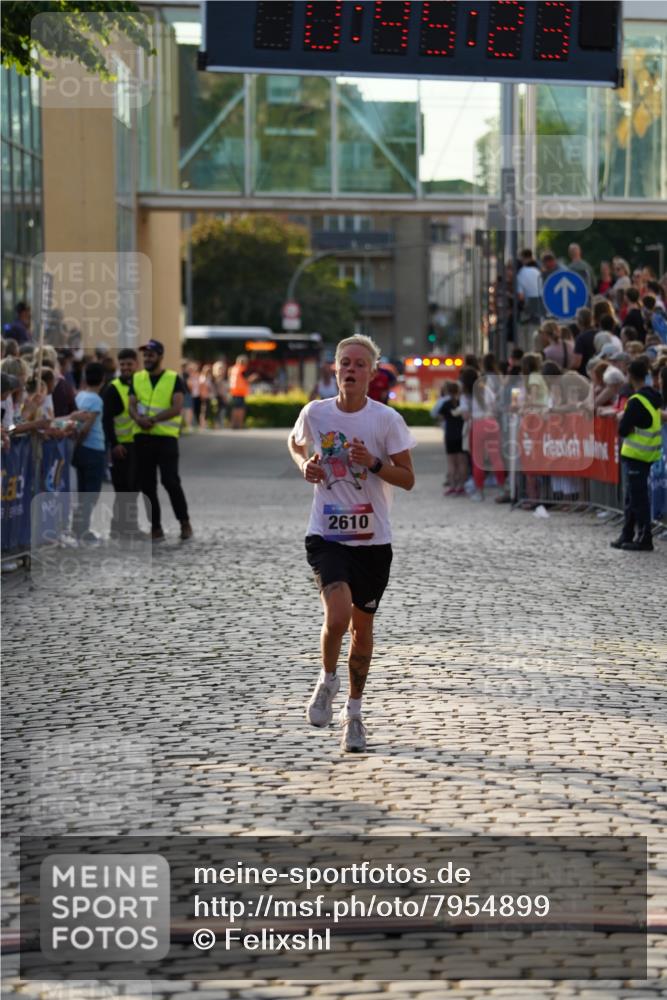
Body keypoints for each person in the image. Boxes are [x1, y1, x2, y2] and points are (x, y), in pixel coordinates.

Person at [287, 334, 416, 754]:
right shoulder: (316, 413)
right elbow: (295, 441)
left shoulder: (386, 421)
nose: (351, 369)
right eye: (345, 362)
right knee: (338, 613)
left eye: (360, 364)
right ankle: (326, 679)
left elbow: (408, 478)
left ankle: (354, 713)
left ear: (372, 373)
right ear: (335, 369)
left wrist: (373, 463)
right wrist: (303, 463)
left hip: (373, 540)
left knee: (362, 629)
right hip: (327, 534)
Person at [128, 339, 192, 542]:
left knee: (170, 481)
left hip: (165, 438)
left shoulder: (173, 378)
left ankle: (184, 522)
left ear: (160, 356)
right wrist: (138, 419)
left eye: (151, 355)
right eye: (145, 355)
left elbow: (177, 407)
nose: (147, 358)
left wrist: (154, 419)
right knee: (147, 485)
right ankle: (156, 527)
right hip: (142, 437)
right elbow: (131, 403)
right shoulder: (137, 378)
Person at [611, 358, 663, 552]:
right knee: (632, 497)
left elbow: (623, 429)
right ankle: (627, 533)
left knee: (638, 499)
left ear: (630, 376)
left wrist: (623, 421)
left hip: (636, 454)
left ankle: (644, 538)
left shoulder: (636, 401)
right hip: (647, 454)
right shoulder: (653, 396)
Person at [103, 348, 142, 537]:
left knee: (133, 488)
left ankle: (122, 527)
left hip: (139, 445)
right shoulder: (113, 388)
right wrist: (114, 444)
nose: (126, 368)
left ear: (137, 364)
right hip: (122, 446)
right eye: (123, 364)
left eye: (130, 364)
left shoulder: (142, 385)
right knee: (124, 489)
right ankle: (124, 528)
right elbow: (107, 420)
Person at [71, 362, 107, 544]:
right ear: (103, 380)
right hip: (93, 449)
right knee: (91, 493)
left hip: (81, 450)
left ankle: (78, 528)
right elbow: (86, 427)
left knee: (82, 491)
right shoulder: (96, 400)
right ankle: (82, 530)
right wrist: (79, 443)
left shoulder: (80, 396)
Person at [229, 354, 254, 429]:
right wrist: (253, 378)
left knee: (235, 409)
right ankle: (239, 425)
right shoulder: (242, 369)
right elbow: (247, 380)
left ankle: (234, 424)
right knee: (240, 409)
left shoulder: (234, 368)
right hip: (240, 392)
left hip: (234, 392)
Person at [572, 307, 597, 377]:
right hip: (599, 372)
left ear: (579, 321)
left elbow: (577, 363)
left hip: (585, 375)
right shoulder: (598, 333)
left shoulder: (580, 338)